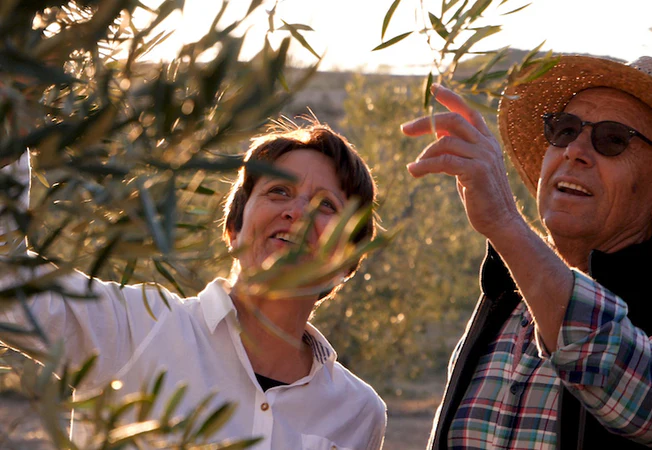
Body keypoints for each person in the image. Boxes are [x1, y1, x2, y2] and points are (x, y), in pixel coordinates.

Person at [401, 55, 652, 449]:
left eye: (613, 139)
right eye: (565, 130)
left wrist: (505, 223)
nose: (575, 150)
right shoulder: (506, 303)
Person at [0, 121, 387, 449]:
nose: (297, 212)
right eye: (279, 191)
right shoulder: (137, 328)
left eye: (326, 205)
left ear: (346, 263)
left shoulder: (358, 413)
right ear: (234, 230)